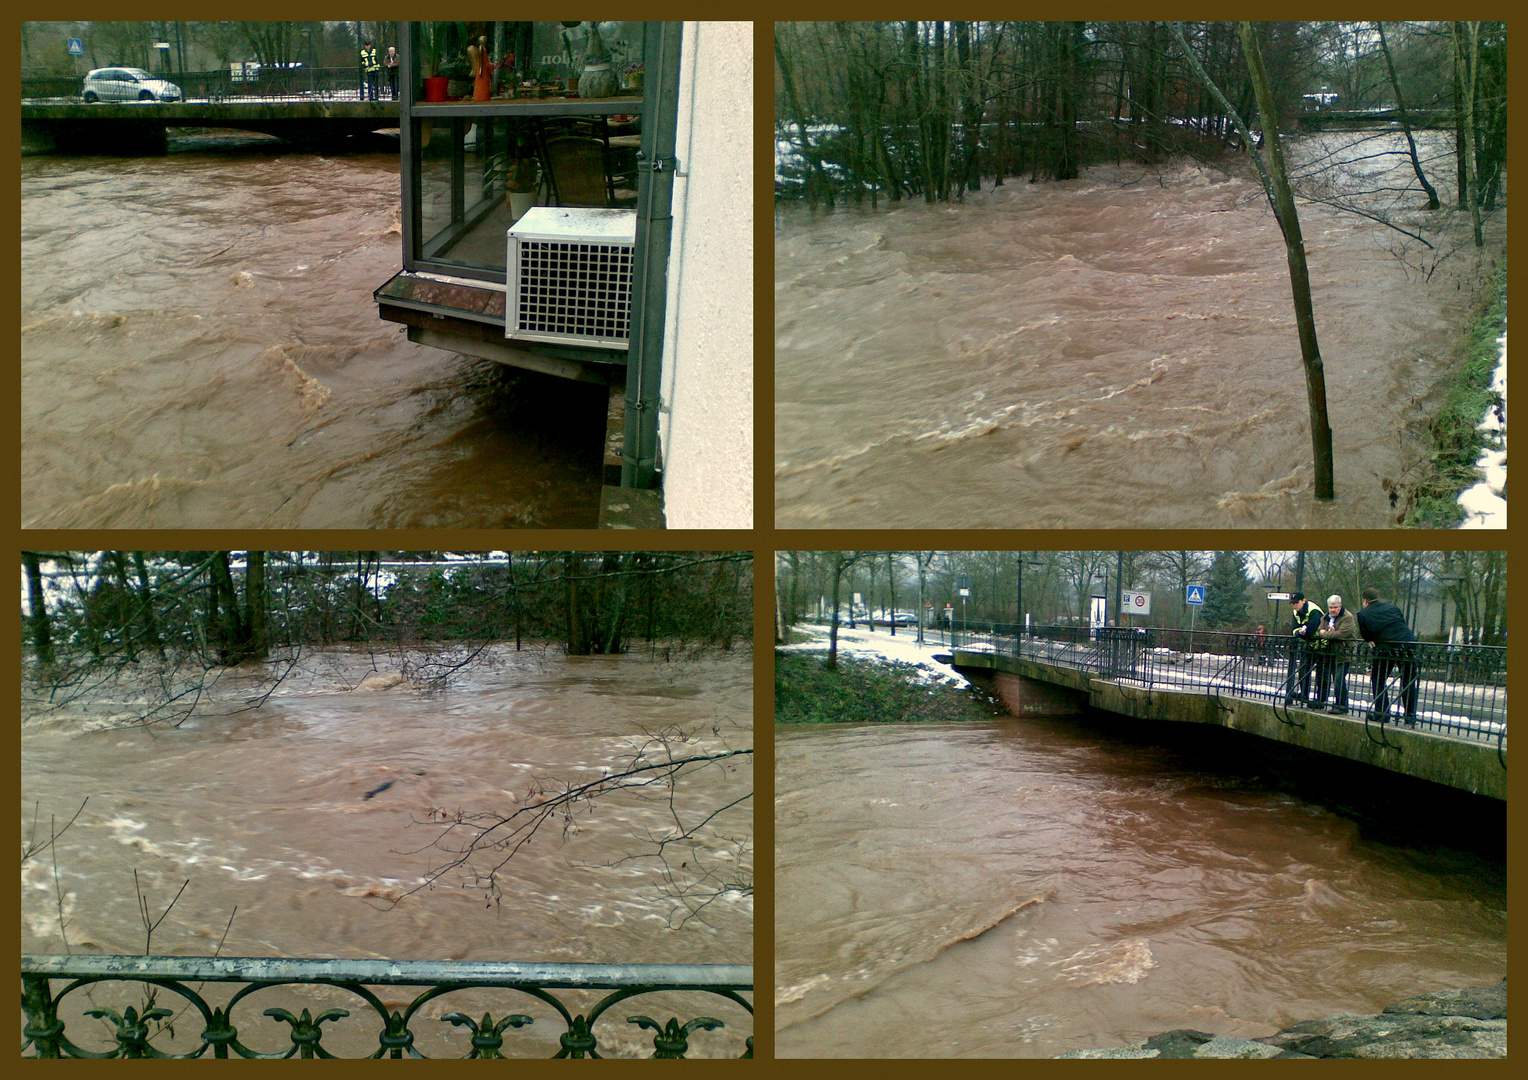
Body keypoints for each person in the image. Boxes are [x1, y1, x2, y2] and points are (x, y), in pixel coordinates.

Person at [1357, 587, 1419, 724]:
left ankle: (1382, 713)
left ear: (1365, 601)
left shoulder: (1363, 613)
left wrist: (1373, 640)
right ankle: (1410, 716)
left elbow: (1366, 635)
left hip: (1386, 648)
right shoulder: (1393, 607)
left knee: (1378, 679)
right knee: (1408, 681)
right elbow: (1401, 622)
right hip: (1407, 643)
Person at [1314, 594, 1360, 715]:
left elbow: (1342, 634)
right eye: (1331, 607)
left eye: (1335, 607)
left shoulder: (1348, 617)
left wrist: (1327, 633)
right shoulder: (1325, 618)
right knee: (1325, 676)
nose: (1333, 610)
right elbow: (1319, 631)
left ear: (1340, 607)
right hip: (1330, 652)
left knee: (1339, 679)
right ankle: (1321, 700)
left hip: (1344, 652)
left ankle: (1341, 705)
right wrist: (1327, 633)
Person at [1285, 592, 1322, 705]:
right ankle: (1304, 694)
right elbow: (1294, 630)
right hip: (1308, 645)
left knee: (1321, 674)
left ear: (1303, 600)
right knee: (1303, 669)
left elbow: (1313, 629)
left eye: (1297, 602)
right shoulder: (1296, 612)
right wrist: (1301, 632)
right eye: (1293, 603)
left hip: (1321, 645)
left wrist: (1304, 632)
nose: (1295, 605)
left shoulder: (1314, 610)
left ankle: (1320, 699)